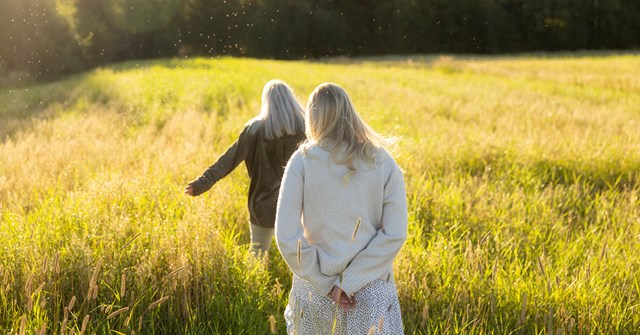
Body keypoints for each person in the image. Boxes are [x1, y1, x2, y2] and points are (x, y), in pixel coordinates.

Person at [275, 82, 408, 334]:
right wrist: (353, 280)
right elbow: (395, 233)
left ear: (312, 116)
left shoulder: (302, 161)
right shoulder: (382, 161)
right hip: (371, 289)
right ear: (350, 112)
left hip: (315, 290)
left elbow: (286, 236)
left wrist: (325, 284)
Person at [185, 79, 306, 255]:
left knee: (257, 252)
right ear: (290, 99)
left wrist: (202, 183)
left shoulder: (254, 129)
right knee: (300, 254)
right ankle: (303, 284)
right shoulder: (306, 129)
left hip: (262, 203)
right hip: (297, 202)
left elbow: (228, 160)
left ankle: (254, 283)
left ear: (267, 102)